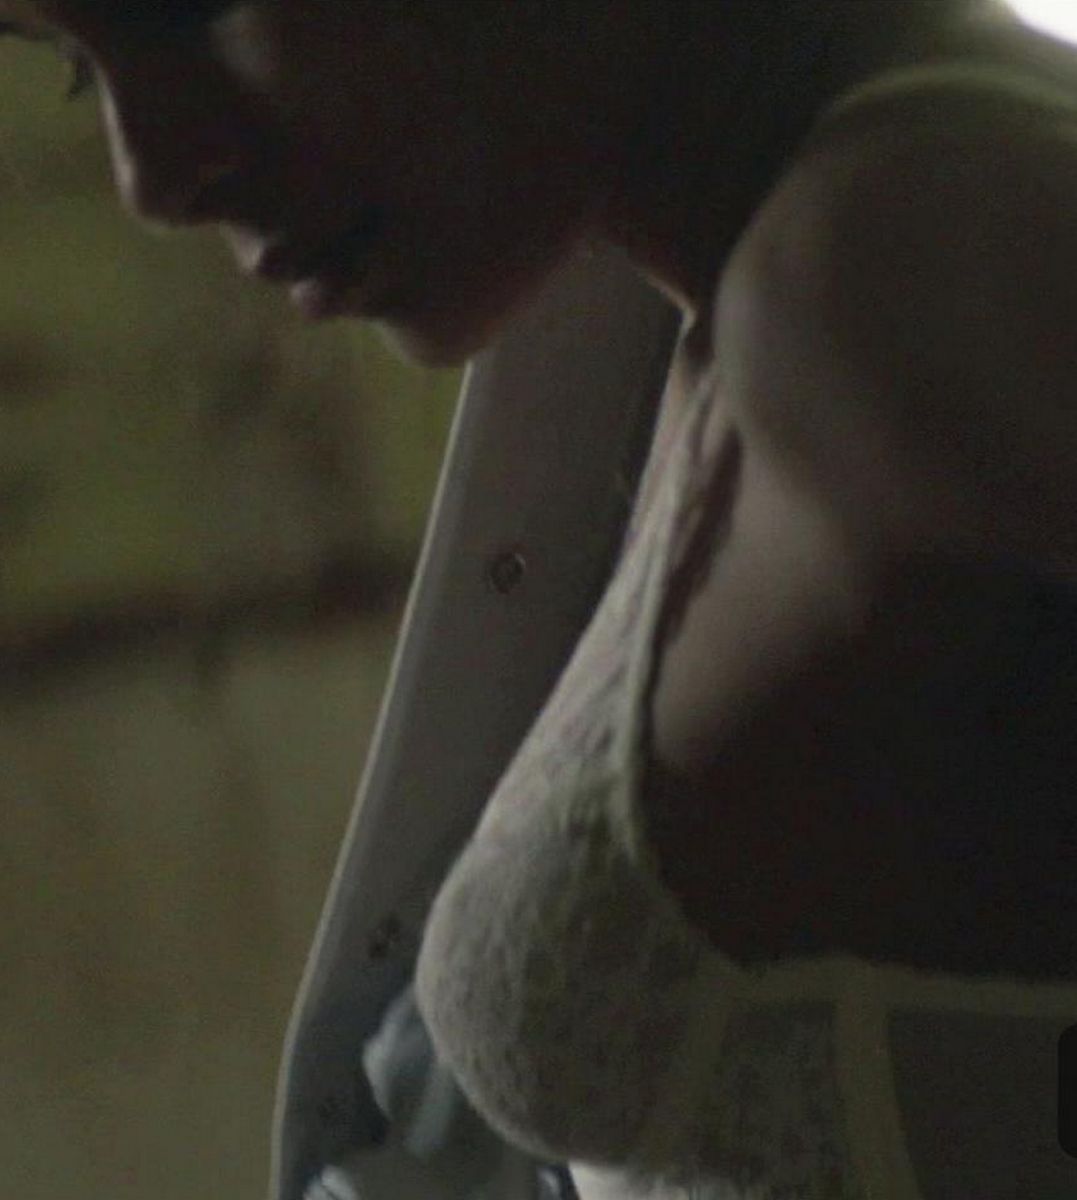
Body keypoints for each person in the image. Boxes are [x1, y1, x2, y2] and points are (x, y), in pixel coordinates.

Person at [6, 0, 1077, 1196]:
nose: (151, 177)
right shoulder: (695, 285)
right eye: (75, 67)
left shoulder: (897, 268)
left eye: (194, 9)